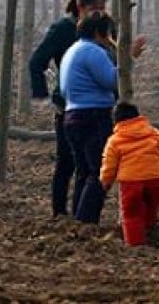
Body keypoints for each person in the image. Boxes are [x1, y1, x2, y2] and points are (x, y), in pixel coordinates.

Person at [28, 0, 107, 218]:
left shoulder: (101, 30)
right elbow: (36, 62)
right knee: (67, 162)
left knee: (88, 165)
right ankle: (59, 213)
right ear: (80, 8)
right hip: (68, 106)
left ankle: (79, 216)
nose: (98, 14)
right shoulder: (63, 29)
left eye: (102, 9)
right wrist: (43, 96)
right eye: (94, 9)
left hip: (94, 106)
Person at [59, 11, 120, 223]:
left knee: (84, 172)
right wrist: (128, 61)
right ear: (98, 32)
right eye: (109, 33)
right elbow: (111, 81)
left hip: (72, 115)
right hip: (93, 116)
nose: (110, 39)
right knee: (99, 172)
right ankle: (86, 221)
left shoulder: (72, 51)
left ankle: (79, 220)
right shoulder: (93, 51)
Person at [100, 102, 159, 246]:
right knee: (151, 207)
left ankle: (136, 244)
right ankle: (150, 232)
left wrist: (106, 181)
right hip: (156, 178)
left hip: (131, 181)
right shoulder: (154, 133)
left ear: (116, 121)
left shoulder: (115, 141)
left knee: (131, 213)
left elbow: (109, 164)